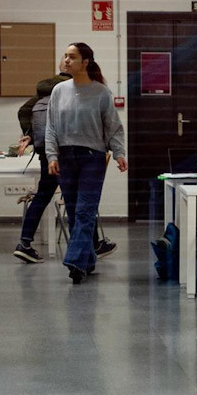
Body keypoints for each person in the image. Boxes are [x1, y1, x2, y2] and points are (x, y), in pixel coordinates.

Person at [13, 64, 115, 263]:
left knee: (43, 196)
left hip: (45, 151)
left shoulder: (42, 94)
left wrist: (30, 134)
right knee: (83, 198)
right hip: (69, 152)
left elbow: (23, 111)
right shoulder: (70, 91)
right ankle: (92, 245)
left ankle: (24, 243)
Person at [45, 43, 128, 283]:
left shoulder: (101, 92)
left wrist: (120, 153)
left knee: (85, 210)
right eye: (66, 56)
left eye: (72, 57)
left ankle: (75, 262)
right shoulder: (58, 90)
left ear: (85, 62)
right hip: (66, 157)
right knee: (74, 211)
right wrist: (52, 156)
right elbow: (51, 127)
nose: (67, 60)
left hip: (93, 158)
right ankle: (88, 259)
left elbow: (113, 127)